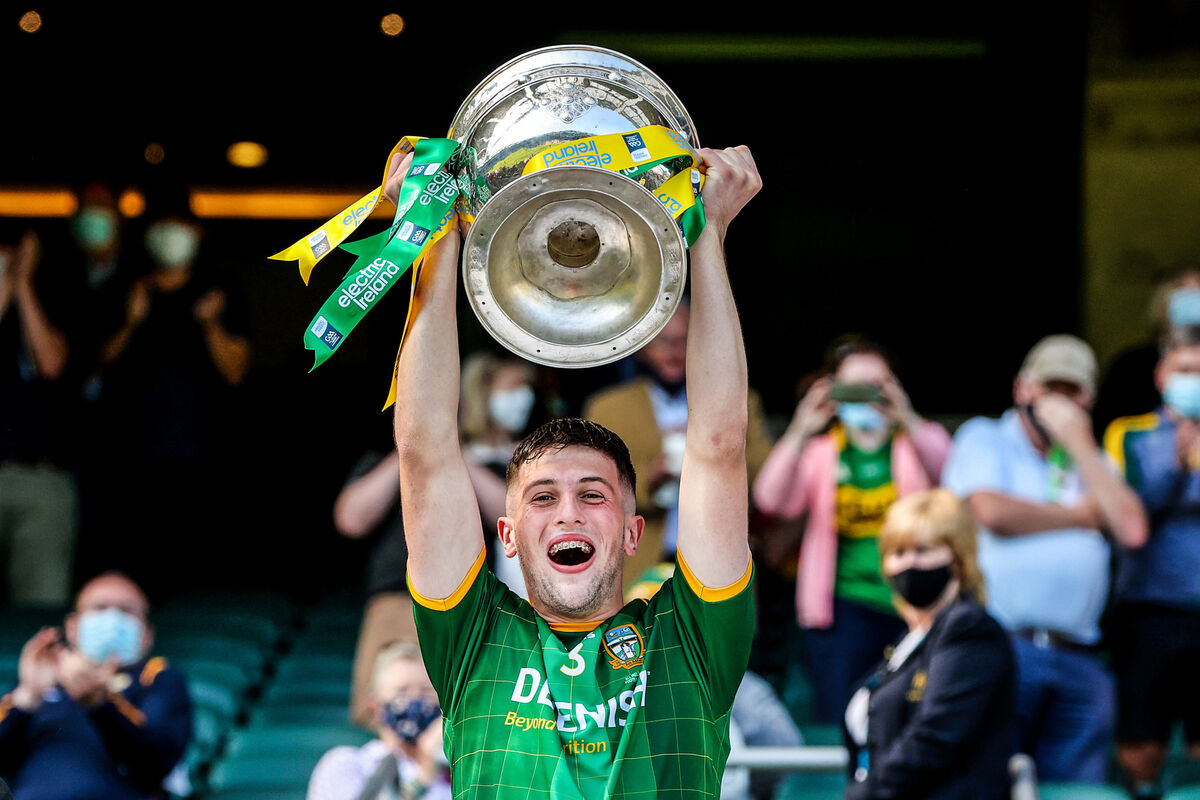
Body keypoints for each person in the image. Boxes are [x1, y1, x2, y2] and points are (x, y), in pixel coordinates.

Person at [392, 143, 761, 799]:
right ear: (504, 535)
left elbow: (719, 443)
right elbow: (424, 449)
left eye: (593, 494)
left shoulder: (690, 641)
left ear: (629, 529)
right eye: (541, 498)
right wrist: (434, 238)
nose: (567, 511)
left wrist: (710, 235)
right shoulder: (477, 641)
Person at [942, 333, 1148, 783]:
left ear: (1087, 398)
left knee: (1077, 790)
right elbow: (991, 512)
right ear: (1023, 389)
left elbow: (1130, 528)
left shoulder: (1091, 457)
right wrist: (1081, 516)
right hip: (1002, 645)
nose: (1056, 401)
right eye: (1048, 387)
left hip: (1080, 655)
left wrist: (1078, 445)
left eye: (1069, 391)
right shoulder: (985, 436)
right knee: (990, 781)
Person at [752, 337, 952, 723]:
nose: (865, 398)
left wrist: (907, 416)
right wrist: (800, 428)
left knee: (912, 719)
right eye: (852, 388)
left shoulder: (911, 446)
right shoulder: (822, 452)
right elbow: (771, 500)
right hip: (843, 609)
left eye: (875, 386)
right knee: (842, 718)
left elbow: (954, 476)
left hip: (913, 604)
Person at [583, 301, 773, 587]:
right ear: (642, 347)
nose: (673, 352)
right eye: (662, 341)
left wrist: (714, 453)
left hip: (717, 564)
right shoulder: (608, 407)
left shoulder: (736, 401)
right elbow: (590, 490)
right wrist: (649, 478)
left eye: (683, 341)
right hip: (637, 564)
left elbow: (767, 477)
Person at [843, 489, 1016, 800]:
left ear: (958, 559)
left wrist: (861, 796)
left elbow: (934, 737)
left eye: (923, 550)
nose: (910, 563)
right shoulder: (906, 643)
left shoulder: (969, 628)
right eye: (898, 553)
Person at [1104, 331, 1200, 800]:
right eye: (1186, 370)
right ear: (1162, 376)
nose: (1195, 381)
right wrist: (1176, 467)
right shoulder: (1131, 433)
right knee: (1143, 748)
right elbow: (1128, 518)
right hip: (1149, 612)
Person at [0, 572, 191, 799]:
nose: (112, 618)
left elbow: (159, 760)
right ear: (72, 626)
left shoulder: (158, 678)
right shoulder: (40, 679)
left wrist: (102, 705)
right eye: (100, 608)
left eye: (127, 611)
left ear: (147, 634)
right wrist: (27, 697)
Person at [0, 227, 83, 606]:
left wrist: (23, 284)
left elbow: (51, 363)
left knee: (38, 610)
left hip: (39, 478)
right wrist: (7, 281)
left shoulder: (51, 291)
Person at [308, 641, 451, 800]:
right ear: (375, 706)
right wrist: (424, 777)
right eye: (401, 691)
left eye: (426, 692)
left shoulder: (460, 774)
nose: (415, 700)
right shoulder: (348, 766)